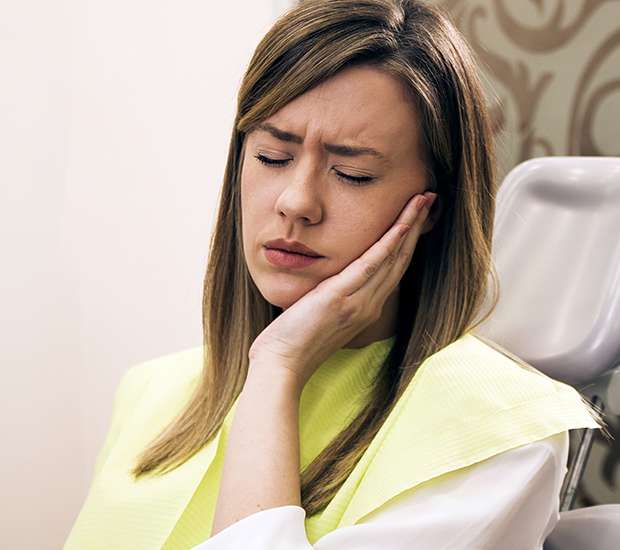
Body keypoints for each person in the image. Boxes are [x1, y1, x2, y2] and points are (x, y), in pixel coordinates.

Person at [64, 1, 605, 549]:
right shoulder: (153, 393)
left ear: (431, 209)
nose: (296, 202)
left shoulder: (496, 435)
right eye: (272, 158)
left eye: (352, 173)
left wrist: (276, 368)